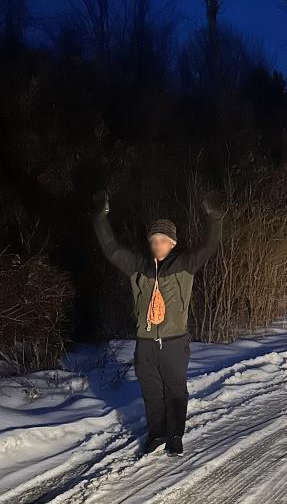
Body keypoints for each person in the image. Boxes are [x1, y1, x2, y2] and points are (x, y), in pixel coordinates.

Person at [93, 193, 223, 456]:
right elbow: (112, 250)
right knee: (151, 392)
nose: (158, 244)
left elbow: (209, 247)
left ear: (172, 243)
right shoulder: (139, 266)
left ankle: (175, 435)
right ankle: (157, 433)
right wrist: (99, 217)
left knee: (175, 390)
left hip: (174, 343)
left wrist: (215, 218)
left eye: (164, 240)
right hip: (146, 343)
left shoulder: (184, 264)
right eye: (154, 240)